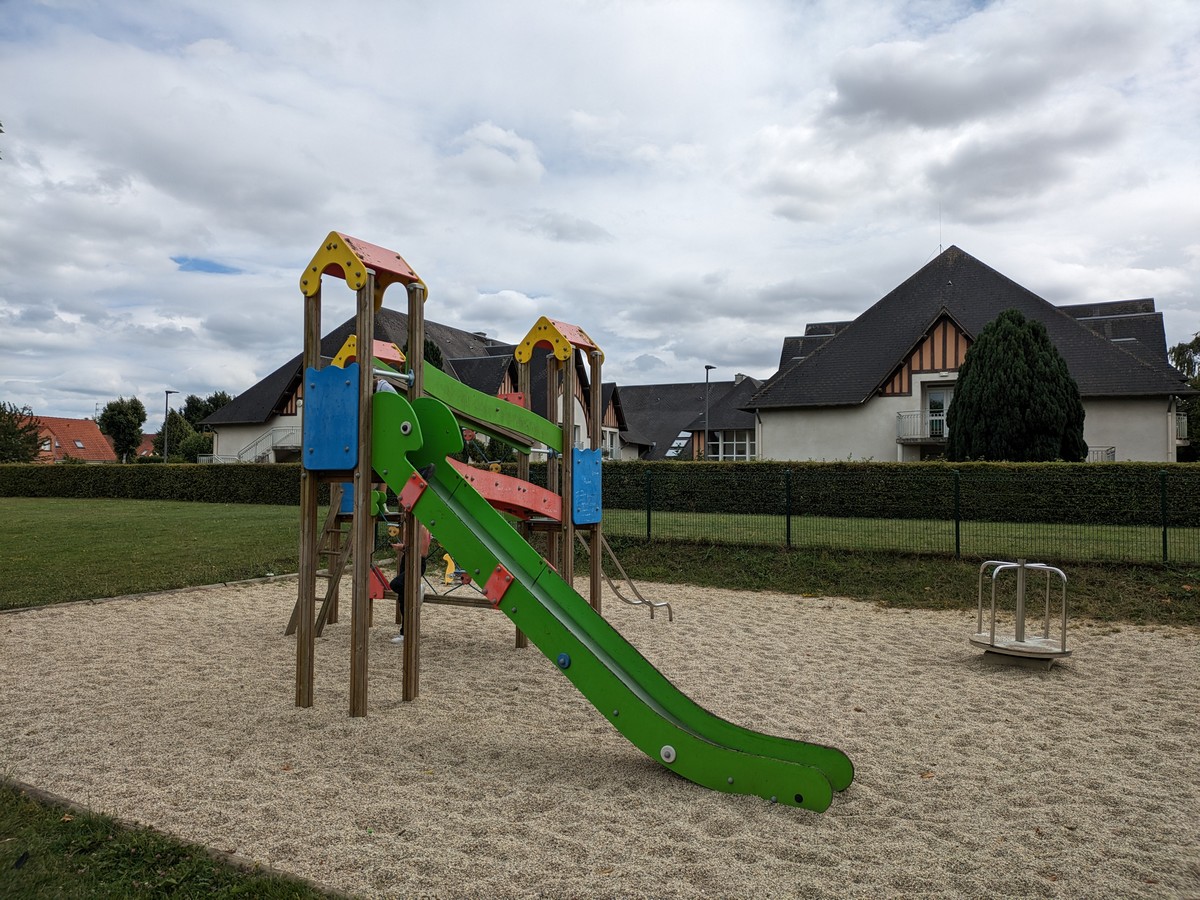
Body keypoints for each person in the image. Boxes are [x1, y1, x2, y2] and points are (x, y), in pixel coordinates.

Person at [389, 519, 431, 644]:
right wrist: (402, 548)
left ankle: (417, 589)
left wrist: (405, 548)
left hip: (417, 563)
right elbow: (409, 547)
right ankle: (405, 633)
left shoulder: (422, 528)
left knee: (395, 584)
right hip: (407, 561)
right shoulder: (409, 527)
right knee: (403, 600)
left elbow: (423, 552)